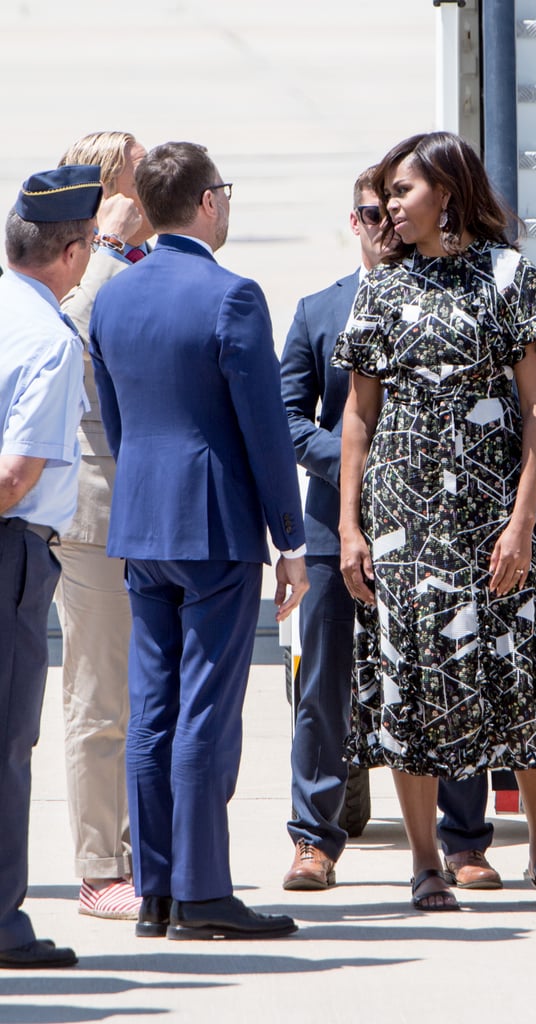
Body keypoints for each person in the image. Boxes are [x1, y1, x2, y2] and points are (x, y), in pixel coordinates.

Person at [333, 132, 536, 912]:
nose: (389, 205)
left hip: (495, 510)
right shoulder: (381, 289)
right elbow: (358, 418)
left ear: (448, 195)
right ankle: (426, 862)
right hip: (401, 516)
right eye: (386, 193)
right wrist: (349, 528)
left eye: (402, 191)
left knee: (522, 671)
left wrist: (521, 523)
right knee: (413, 683)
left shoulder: (508, 276)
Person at [89, 141, 309, 941]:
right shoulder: (231, 295)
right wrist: (290, 538)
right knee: (206, 712)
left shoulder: (111, 297)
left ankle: (154, 890)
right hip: (212, 523)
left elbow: (118, 424)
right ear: (208, 203)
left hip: (141, 518)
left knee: (152, 707)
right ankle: (203, 891)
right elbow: (265, 431)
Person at [280, 168, 501, 892]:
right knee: (325, 687)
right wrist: (364, 468)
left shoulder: (446, 300)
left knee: (446, 677)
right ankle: (314, 841)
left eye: (391, 210)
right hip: (331, 528)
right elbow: (285, 418)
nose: (383, 225)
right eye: (369, 214)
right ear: (353, 221)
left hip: (434, 531)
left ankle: (464, 841)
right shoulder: (319, 311)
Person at [0, 164, 102, 967]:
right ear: (70, 253)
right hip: (10, 550)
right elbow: (15, 476)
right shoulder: (46, 336)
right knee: (6, 739)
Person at [54, 131, 154, 922]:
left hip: (159, 507)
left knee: (157, 694)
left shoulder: (146, 261)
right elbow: (70, 336)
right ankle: (99, 864)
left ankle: (151, 848)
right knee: (100, 696)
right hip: (94, 512)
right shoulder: (76, 265)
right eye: (137, 172)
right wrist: (110, 242)